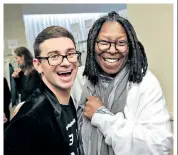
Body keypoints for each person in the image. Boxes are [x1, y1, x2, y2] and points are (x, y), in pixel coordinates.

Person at [71, 11, 173, 155]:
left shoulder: (145, 82)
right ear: (93, 44)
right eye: (104, 42)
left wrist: (102, 117)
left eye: (121, 43)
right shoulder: (79, 79)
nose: (112, 50)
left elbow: (158, 145)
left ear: (130, 46)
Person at [4, 26, 81, 155]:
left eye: (70, 54)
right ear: (38, 65)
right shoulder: (28, 120)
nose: (66, 62)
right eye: (54, 56)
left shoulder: (70, 101)